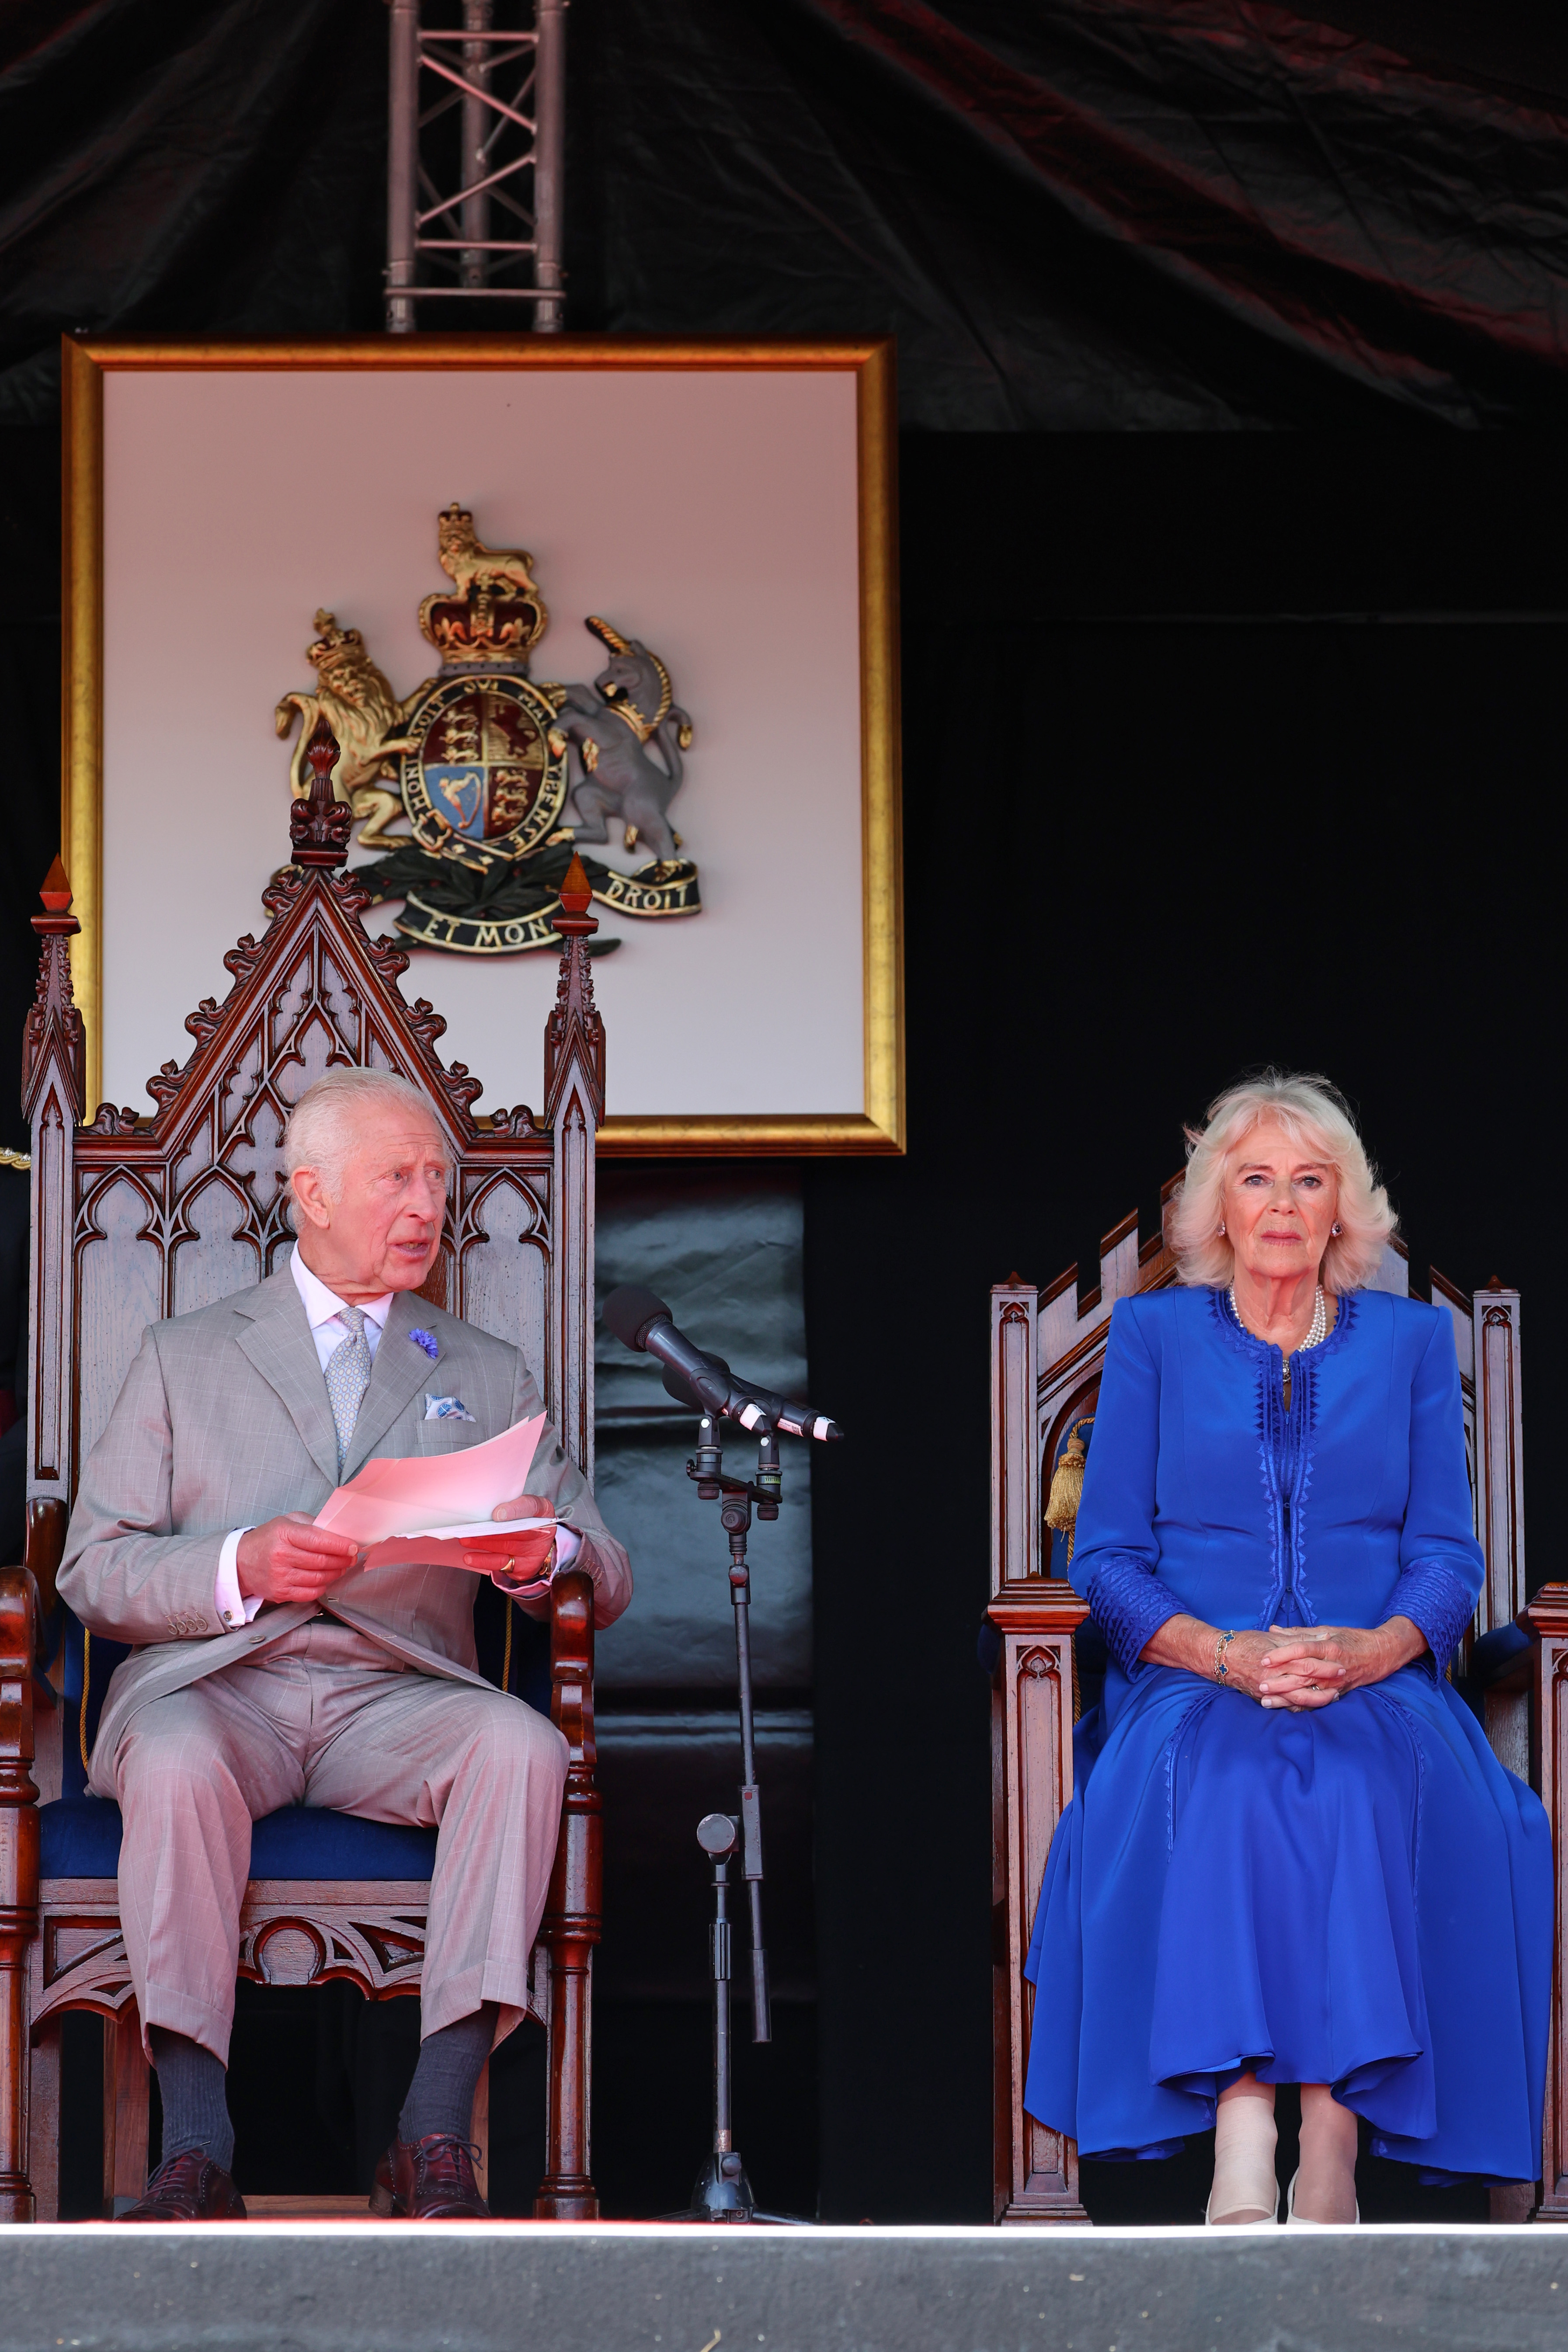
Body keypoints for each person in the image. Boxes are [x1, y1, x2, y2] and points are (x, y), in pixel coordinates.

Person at [58, 1067, 631, 2223]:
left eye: (438, 1180)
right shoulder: (184, 1354)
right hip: (220, 1689)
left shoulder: (483, 1369)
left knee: (524, 1748)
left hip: (398, 1698)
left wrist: (544, 1554)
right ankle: (197, 2144)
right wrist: (238, 1566)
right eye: (396, 1178)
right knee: (168, 1761)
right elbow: (90, 1570)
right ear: (309, 1190)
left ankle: (433, 2129)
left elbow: (604, 1568)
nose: (426, 1205)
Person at [1023, 1073, 1550, 2227]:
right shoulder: (1154, 1335)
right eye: (1254, 1179)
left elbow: (1447, 1556)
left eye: (1307, 1182)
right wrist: (1222, 1655)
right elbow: (1105, 1557)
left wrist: (1371, 1651)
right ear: (1217, 1208)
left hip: (1376, 1678)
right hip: (1191, 1677)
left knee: (1361, 1783)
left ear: (1342, 1211)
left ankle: (1331, 2141)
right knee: (1230, 1779)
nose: (1279, 1204)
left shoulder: (1410, 1343)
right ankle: (1243, 2125)